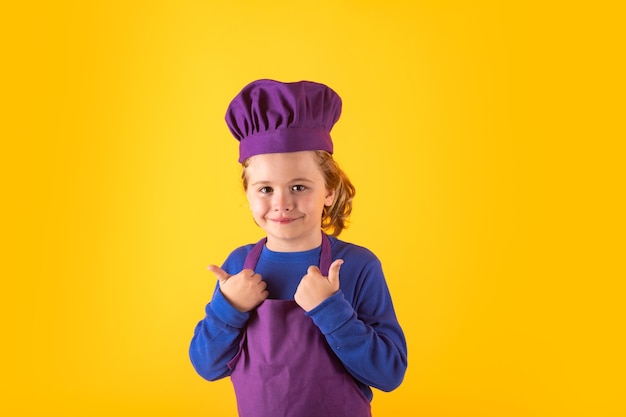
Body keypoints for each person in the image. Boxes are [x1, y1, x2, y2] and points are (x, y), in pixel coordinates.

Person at [189, 79, 407, 417]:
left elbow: (390, 373)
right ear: (247, 194)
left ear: (330, 191)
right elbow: (207, 366)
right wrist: (229, 307)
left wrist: (331, 310)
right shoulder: (238, 266)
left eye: (299, 186)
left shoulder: (358, 266)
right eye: (265, 189)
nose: (282, 203)